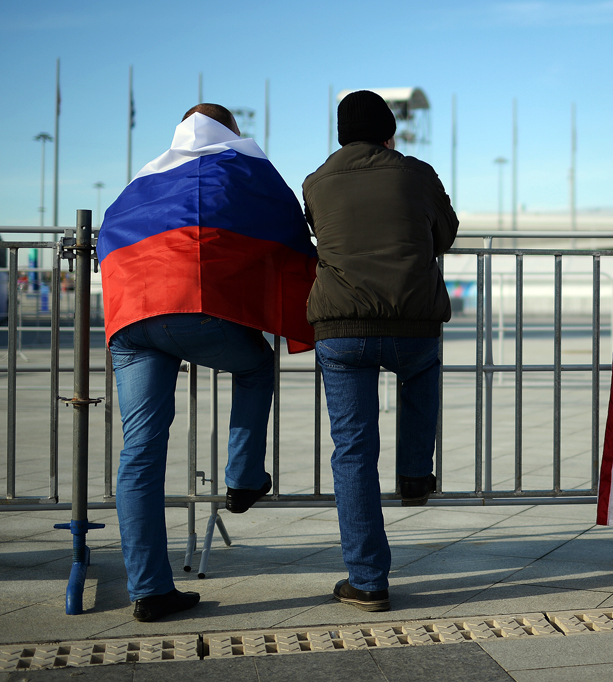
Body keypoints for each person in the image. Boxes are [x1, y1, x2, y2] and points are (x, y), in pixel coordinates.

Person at [98, 104, 316, 621]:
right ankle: (242, 478)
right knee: (257, 364)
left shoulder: (143, 179)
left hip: (129, 322)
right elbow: (287, 235)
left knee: (141, 453)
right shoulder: (242, 167)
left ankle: (149, 590)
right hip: (193, 311)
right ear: (231, 132)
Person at [303, 90, 458, 612]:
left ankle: (367, 580)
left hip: (342, 327)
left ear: (342, 135)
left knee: (352, 450)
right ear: (390, 133)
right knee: (420, 375)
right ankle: (415, 474)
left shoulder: (316, 182)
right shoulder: (417, 173)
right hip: (413, 320)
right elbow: (447, 234)